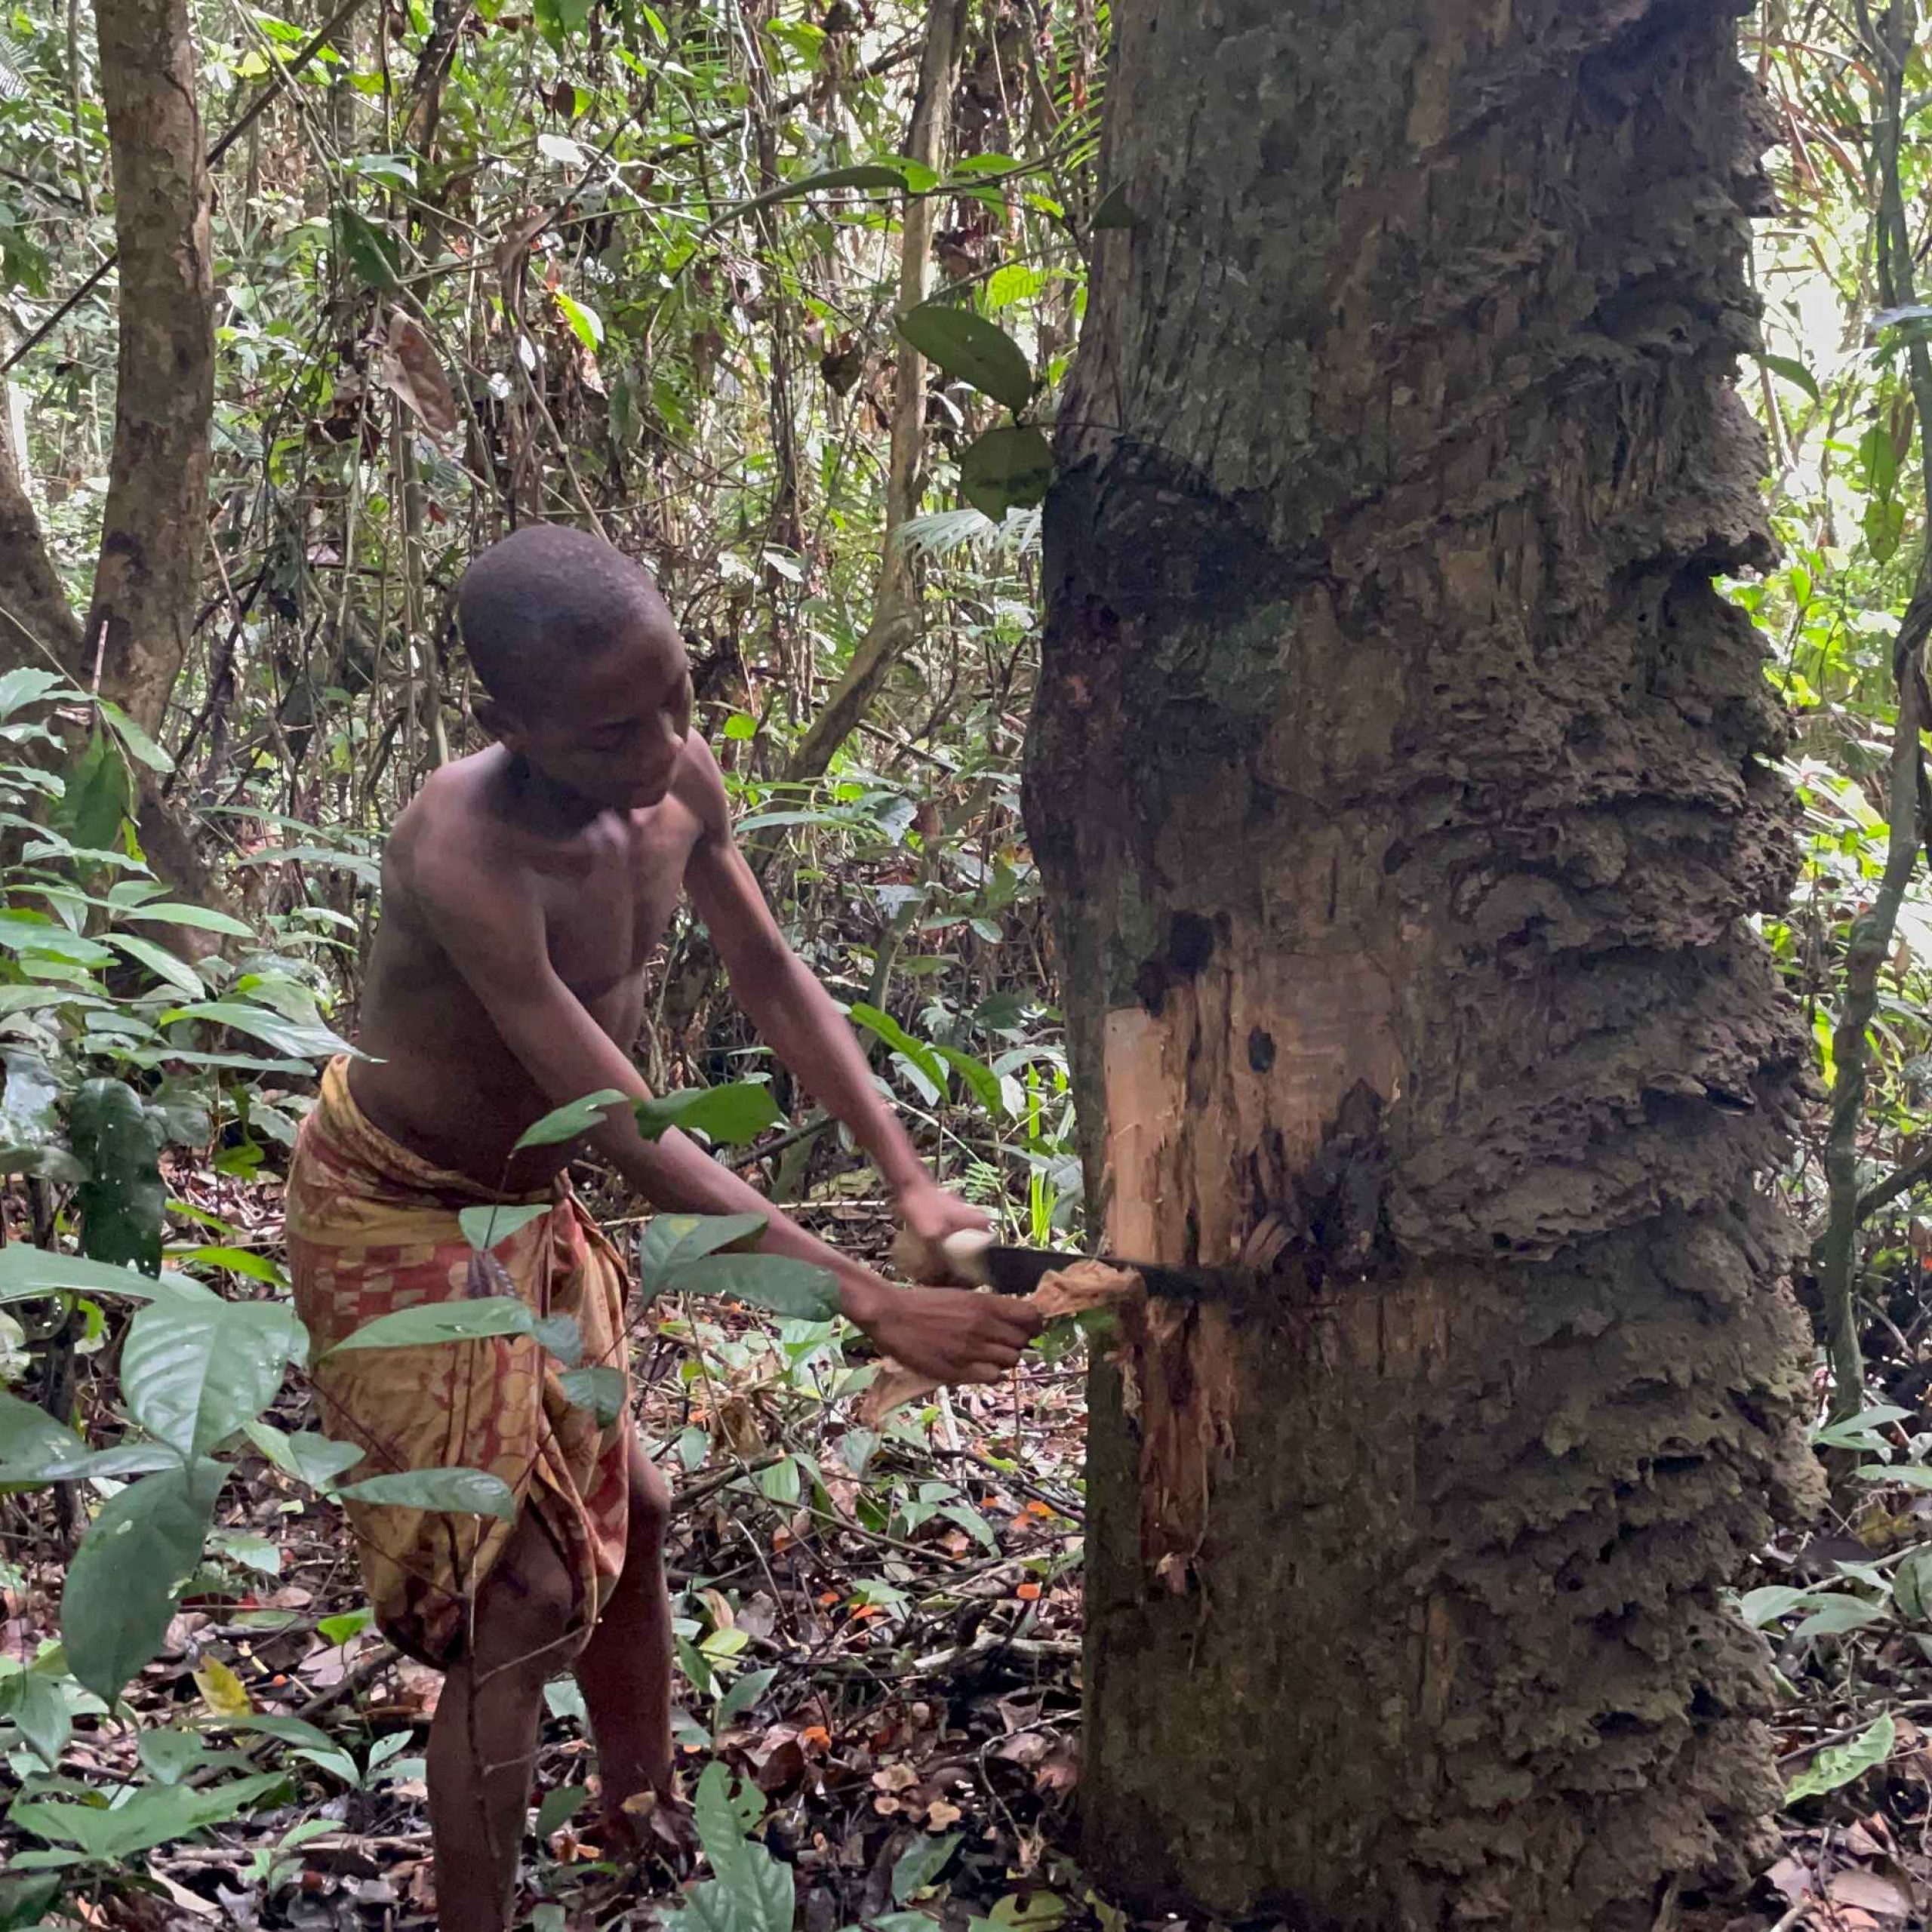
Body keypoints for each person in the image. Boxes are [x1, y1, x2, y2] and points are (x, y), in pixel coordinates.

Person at [284, 523, 1041, 1932]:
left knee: (635, 1508)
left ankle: (642, 1828)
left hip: (525, 1205)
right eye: (613, 731)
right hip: (395, 1203)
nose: (662, 746)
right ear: (508, 724)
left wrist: (908, 1179)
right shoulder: (464, 849)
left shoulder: (680, 773)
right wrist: (867, 1298)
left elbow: (770, 972)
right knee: (515, 1599)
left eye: (678, 699)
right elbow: (621, 1124)